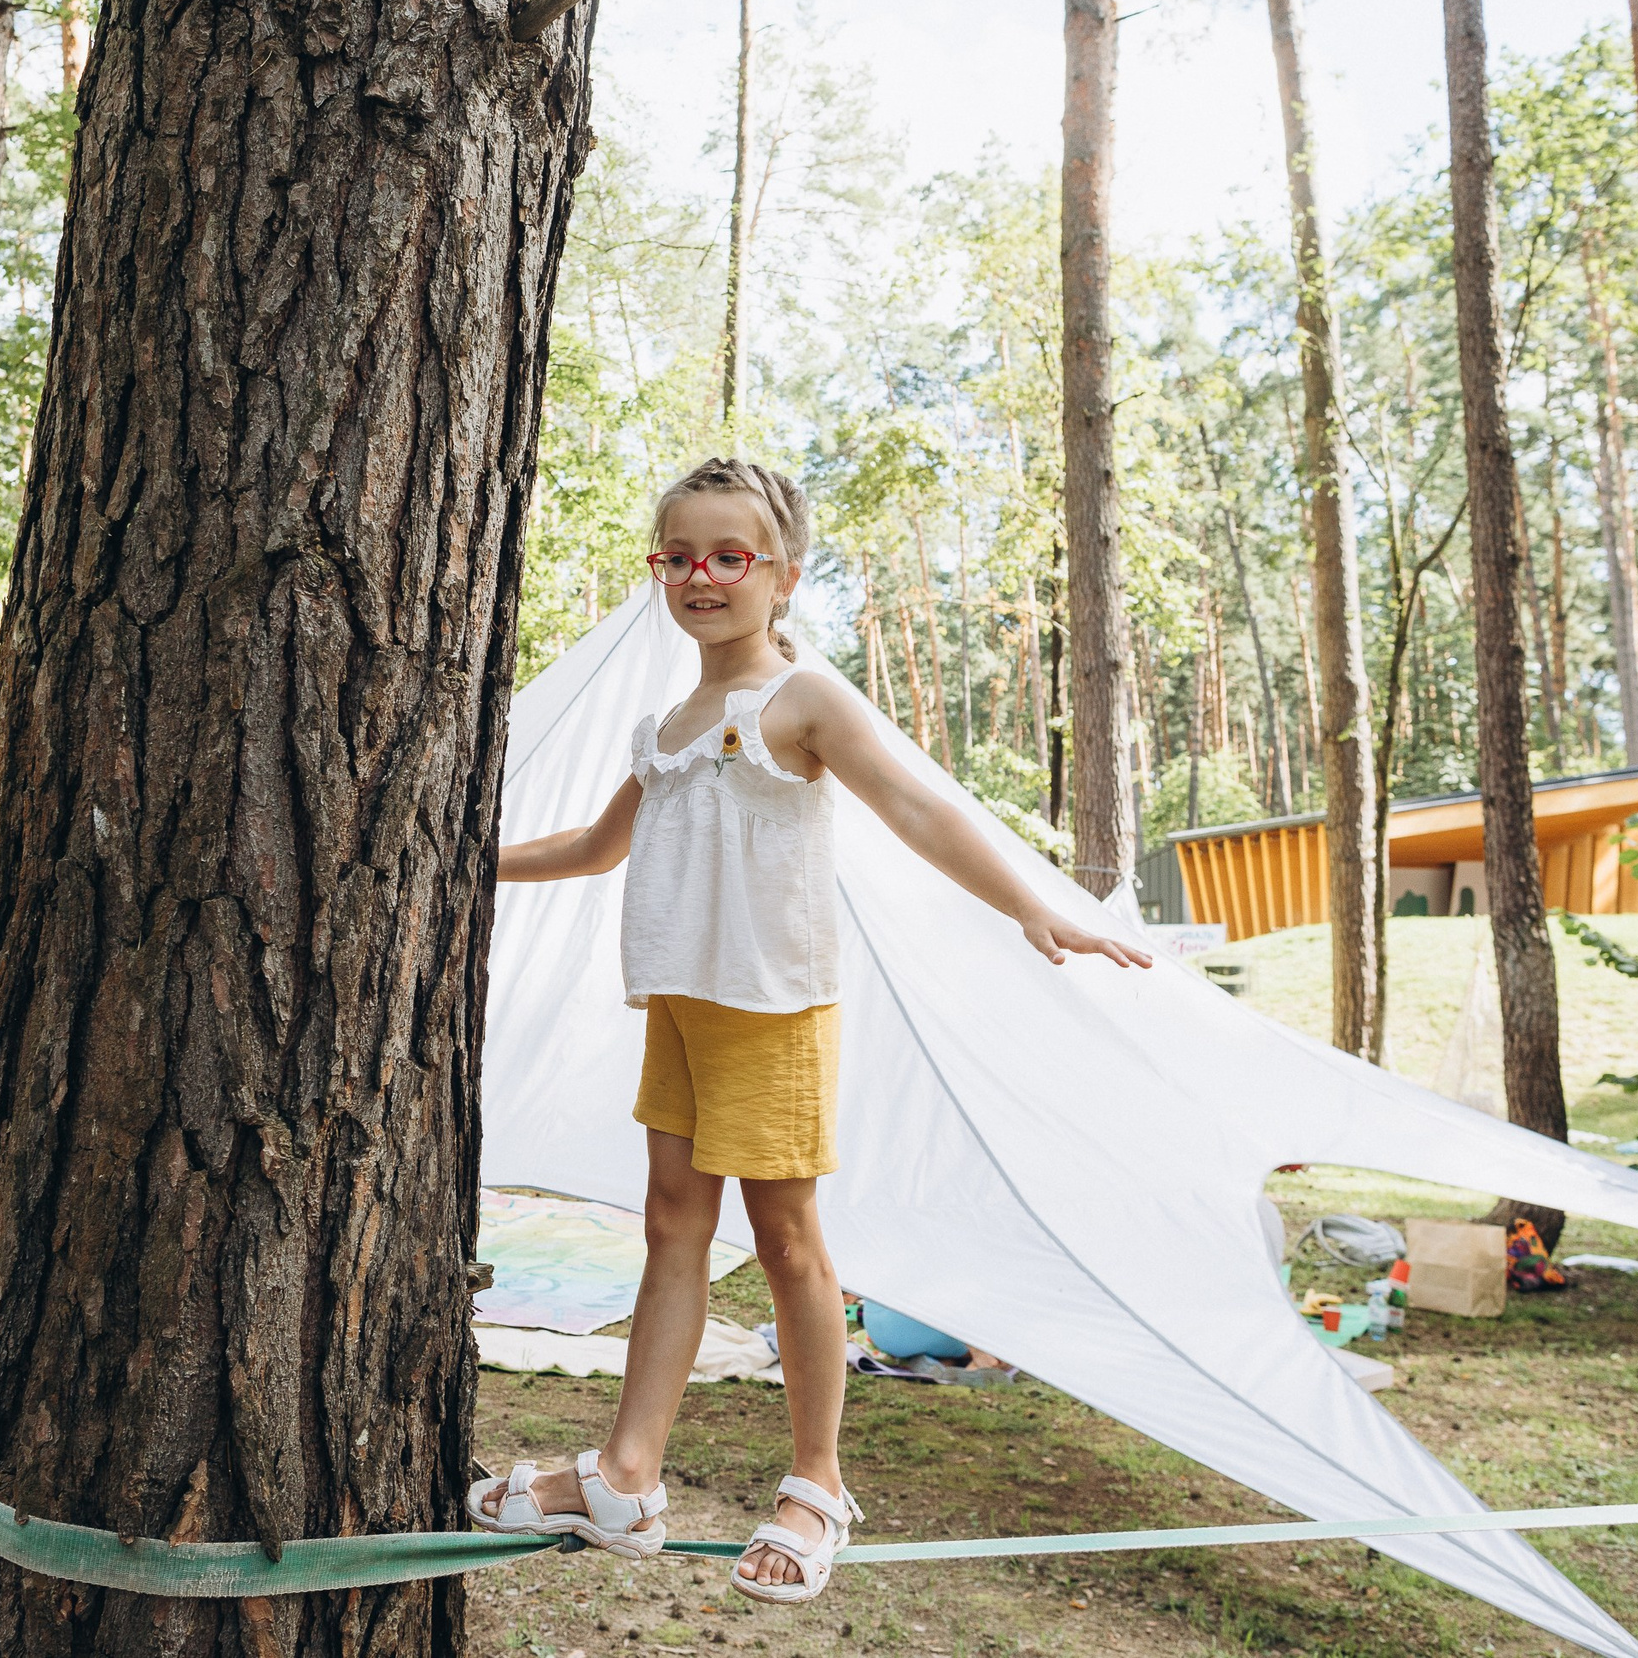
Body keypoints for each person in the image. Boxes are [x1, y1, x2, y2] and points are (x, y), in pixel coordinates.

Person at [469, 459, 1152, 1603]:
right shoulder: (668, 720)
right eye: (678, 556)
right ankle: (627, 1477)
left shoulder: (804, 700)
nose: (700, 576)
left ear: (781, 574)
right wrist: (463, 862)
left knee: (787, 1246)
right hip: (683, 1003)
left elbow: (919, 805)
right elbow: (596, 847)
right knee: (671, 1223)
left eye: (728, 555)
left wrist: (1037, 906)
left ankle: (817, 1483)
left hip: (773, 1011)